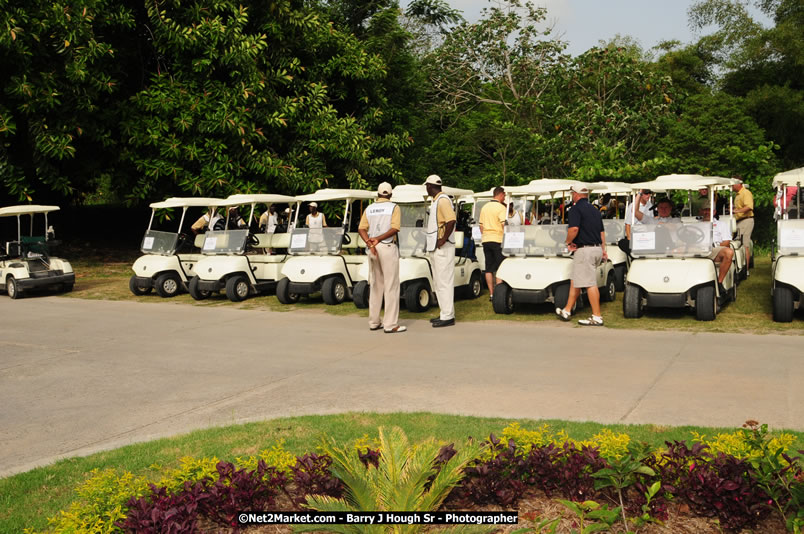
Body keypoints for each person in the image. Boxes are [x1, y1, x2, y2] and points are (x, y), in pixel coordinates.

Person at [556, 184, 607, 326]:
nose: (572, 195)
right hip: (596, 248)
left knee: (589, 283)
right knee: (576, 279)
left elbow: (574, 229)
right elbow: (601, 233)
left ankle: (597, 316)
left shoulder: (575, 209)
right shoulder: (595, 210)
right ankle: (567, 310)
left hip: (585, 250)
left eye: (572, 193)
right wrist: (603, 250)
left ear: (576, 194)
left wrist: (567, 242)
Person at [358, 182, 405, 334]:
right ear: (390, 194)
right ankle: (390, 324)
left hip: (373, 248)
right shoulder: (394, 207)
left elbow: (361, 228)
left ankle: (374, 322)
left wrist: (369, 242)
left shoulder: (370, 208)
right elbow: (395, 228)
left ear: (378, 194)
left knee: (376, 285)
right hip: (387, 246)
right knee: (391, 286)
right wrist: (378, 238)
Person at [424, 174, 456, 328]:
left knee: (444, 281)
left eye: (427, 186)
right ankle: (444, 312)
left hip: (443, 247)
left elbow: (451, 220)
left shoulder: (443, 200)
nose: (426, 188)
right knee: (438, 282)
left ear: (430, 186)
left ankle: (448, 315)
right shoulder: (437, 200)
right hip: (436, 247)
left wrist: (443, 239)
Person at [479, 186, 507, 300]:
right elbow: (503, 225)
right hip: (498, 239)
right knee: (501, 267)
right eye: (504, 195)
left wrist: (486, 234)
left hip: (486, 239)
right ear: (500, 194)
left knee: (489, 268)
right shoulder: (501, 208)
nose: (505, 197)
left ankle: (491, 293)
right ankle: (499, 294)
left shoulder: (484, 207)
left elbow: (481, 226)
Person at [701, 206, 735, 292]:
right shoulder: (695, 225)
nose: (706, 212)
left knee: (729, 252)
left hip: (714, 249)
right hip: (698, 250)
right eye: (705, 210)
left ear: (714, 212)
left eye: (709, 210)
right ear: (701, 211)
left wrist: (712, 245)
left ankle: (719, 283)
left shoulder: (721, 224)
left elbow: (726, 242)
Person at [732, 178, 754, 269]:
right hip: (739, 221)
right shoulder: (737, 195)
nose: (732, 186)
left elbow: (749, 207)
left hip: (746, 220)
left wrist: (736, 211)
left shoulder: (745, 192)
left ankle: (746, 270)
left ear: (739, 184)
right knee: (738, 243)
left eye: (733, 184)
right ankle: (740, 266)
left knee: (744, 244)